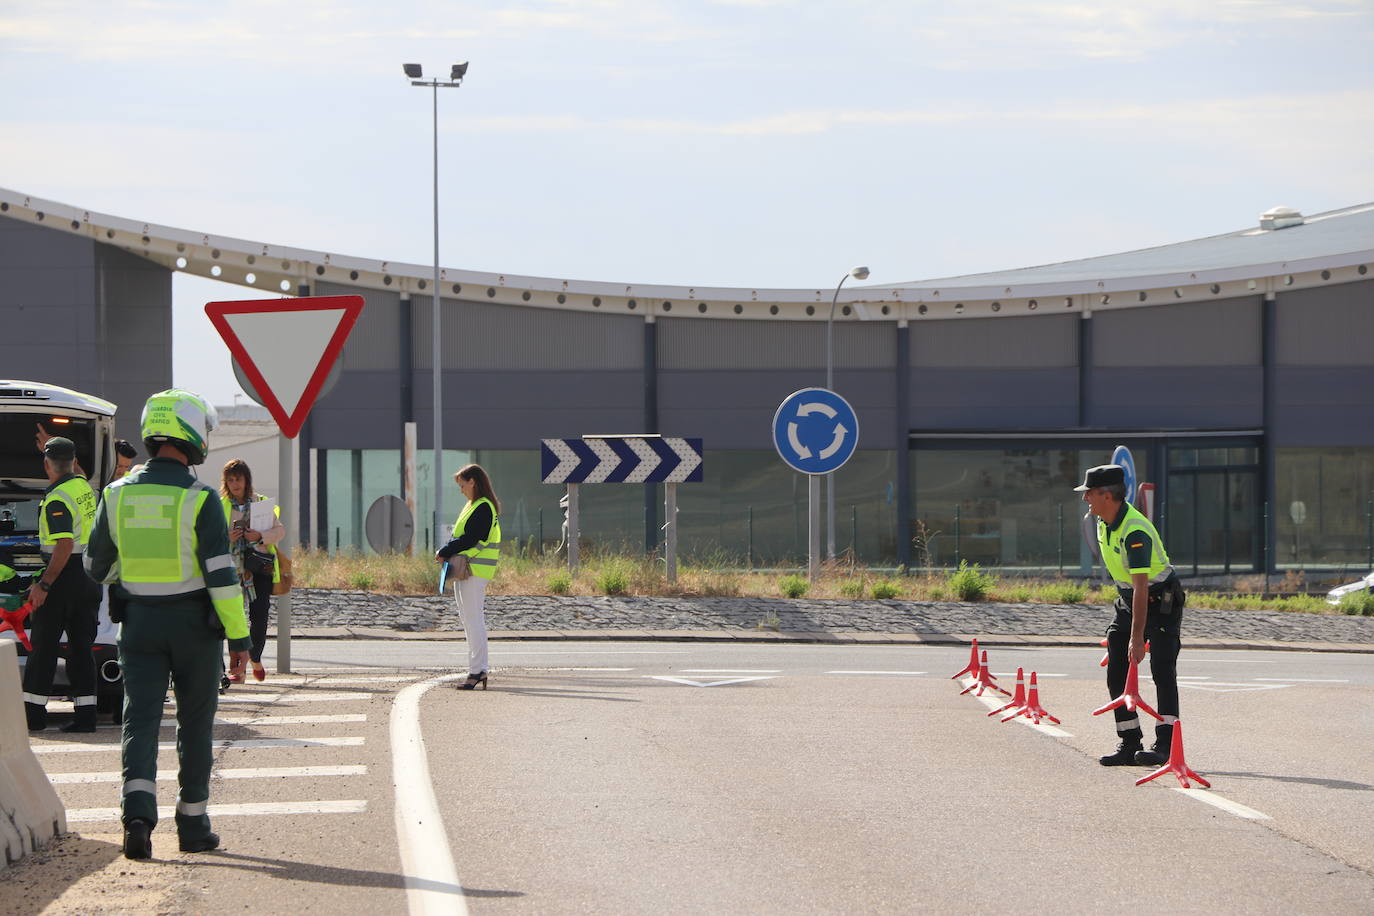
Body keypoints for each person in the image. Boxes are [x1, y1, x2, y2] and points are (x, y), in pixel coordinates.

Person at [85, 389, 252, 860]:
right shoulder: (201, 499)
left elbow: (96, 566)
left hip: (137, 625)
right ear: (192, 433)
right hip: (194, 629)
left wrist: (129, 576)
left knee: (138, 719)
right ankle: (193, 825)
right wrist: (240, 637)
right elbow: (221, 579)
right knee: (195, 725)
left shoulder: (114, 495)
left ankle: (136, 817)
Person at [1076, 464, 1186, 767]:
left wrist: (1137, 639)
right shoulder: (1101, 522)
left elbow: (1141, 587)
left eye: (1090, 493)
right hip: (1129, 600)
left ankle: (1165, 744)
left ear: (1107, 495)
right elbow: (1128, 588)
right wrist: (1125, 635)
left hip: (1159, 601)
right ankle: (1129, 741)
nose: (1085, 498)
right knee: (1116, 668)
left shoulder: (1135, 530)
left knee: (1162, 670)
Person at [22, 436, 102, 733]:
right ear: (73, 461)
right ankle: (85, 717)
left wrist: (43, 585)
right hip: (89, 578)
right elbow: (76, 471)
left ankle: (33, 716)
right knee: (82, 648)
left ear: (46, 465)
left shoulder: (57, 499)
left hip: (63, 578)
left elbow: (64, 545)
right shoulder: (83, 486)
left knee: (43, 646)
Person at [435, 463, 502, 690]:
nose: (460, 489)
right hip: (466, 570)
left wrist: (444, 551)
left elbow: (470, 538)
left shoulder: (483, 507)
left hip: (474, 570)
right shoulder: (474, 505)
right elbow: (464, 536)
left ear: (473, 481)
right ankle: (478, 669)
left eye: (462, 485)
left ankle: (477, 671)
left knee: (473, 621)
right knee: (470, 621)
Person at [219, 458, 284, 682]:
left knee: (259, 616)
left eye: (239, 479)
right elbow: (210, 537)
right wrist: (227, 538)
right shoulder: (221, 505)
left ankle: (255, 658)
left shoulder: (262, 503)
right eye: (231, 480)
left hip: (260, 567)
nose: (235, 484)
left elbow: (279, 531)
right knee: (233, 618)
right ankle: (237, 668)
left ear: (247, 480)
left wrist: (260, 536)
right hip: (232, 569)